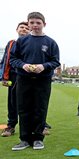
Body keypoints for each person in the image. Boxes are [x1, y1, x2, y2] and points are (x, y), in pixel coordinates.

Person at [9, 12, 60, 150]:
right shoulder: (21, 41)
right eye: (32, 23)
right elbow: (13, 59)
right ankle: (24, 139)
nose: (35, 25)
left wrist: (43, 66)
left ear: (44, 24)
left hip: (42, 80)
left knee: (40, 108)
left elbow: (55, 62)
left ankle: (38, 138)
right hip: (23, 79)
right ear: (28, 24)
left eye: (38, 22)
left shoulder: (51, 42)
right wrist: (23, 65)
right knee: (23, 109)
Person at [0, 22, 30, 137]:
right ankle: (11, 126)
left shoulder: (32, 43)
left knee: (31, 101)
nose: (24, 29)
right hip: (13, 75)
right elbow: (4, 61)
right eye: (22, 27)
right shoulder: (12, 43)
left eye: (27, 28)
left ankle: (39, 125)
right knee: (12, 102)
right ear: (17, 29)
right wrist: (3, 77)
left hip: (27, 75)